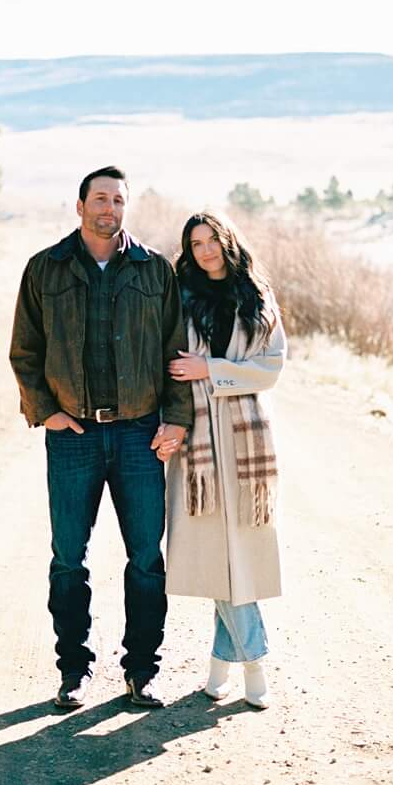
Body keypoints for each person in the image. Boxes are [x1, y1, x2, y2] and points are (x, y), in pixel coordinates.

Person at [9, 166, 193, 711]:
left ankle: (142, 670)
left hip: (139, 435)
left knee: (145, 559)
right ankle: (74, 670)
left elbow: (175, 352)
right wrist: (46, 412)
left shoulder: (155, 271)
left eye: (118, 200)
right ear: (80, 205)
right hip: (74, 437)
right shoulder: (46, 269)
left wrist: (176, 420)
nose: (109, 208)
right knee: (69, 557)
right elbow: (25, 351)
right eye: (100, 198)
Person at [153, 210, 285, 708]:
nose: (204, 251)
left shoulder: (258, 297)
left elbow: (270, 370)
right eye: (195, 243)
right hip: (201, 450)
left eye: (212, 240)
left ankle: (226, 670)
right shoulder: (181, 299)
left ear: (228, 242)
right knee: (221, 561)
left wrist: (210, 367)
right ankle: (250, 667)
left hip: (247, 443)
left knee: (236, 561)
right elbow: (171, 368)